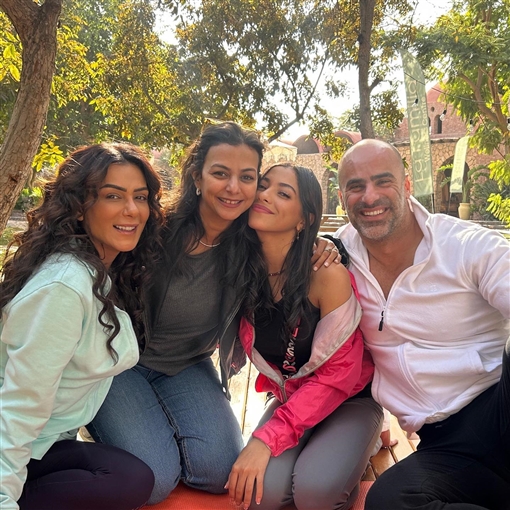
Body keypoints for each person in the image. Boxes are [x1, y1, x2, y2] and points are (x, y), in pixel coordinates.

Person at [87, 122, 341, 505]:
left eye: (247, 177)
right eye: (221, 173)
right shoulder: (153, 230)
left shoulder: (250, 241)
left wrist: (329, 243)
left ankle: (152, 427)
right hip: (121, 364)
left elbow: (293, 238)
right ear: (197, 177)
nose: (234, 188)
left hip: (188, 365)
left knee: (221, 471)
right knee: (154, 480)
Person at [334, 139, 510, 510]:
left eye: (383, 181)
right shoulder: (337, 259)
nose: (370, 196)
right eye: (356, 186)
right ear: (341, 197)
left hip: (498, 404)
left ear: (406, 185)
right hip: (444, 445)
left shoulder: (464, 245)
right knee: (388, 501)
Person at [0, 142, 165, 510]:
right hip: (12, 440)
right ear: (79, 207)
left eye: (140, 197)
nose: (132, 209)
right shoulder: (64, 287)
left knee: (133, 478)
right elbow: (19, 405)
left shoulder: (103, 269)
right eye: (113, 196)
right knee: (126, 481)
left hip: (46, 442)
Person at [227, 163, 382, 510]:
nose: (265, 195)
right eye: (263, 185)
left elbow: (338, 376)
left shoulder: (326, 274)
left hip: (349, 400)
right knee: (259, 495)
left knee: (314, 492)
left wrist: (266, 439)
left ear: (304, 219)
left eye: (283, 193)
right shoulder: (242, 268)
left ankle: (365, 442)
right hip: (291, 397)